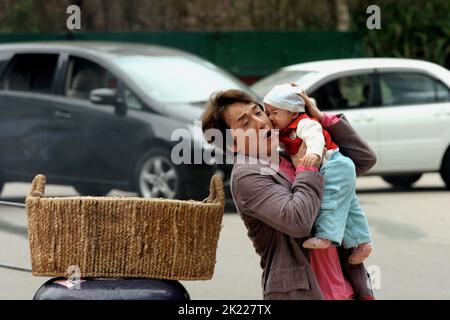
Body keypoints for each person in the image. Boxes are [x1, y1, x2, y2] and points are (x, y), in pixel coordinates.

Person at [201, 88, 376, 300]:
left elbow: (364, 159)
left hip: (348, 290)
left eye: (258, 112)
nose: (260, 123)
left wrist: (322, 118)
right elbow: (297, 220)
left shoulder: (291, 153)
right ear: (233, 144)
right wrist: (308, 167)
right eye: (245, 123)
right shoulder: (247, 176)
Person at [263, 83, 372, 265]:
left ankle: (326, 236)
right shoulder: (282, 132)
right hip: (338, 166)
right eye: (268, 113)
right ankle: (363, 242)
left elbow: (315, 136)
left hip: (334, 164)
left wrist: (313, 153)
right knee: (349, 205)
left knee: (330, 200)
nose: (270, 117)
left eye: (275, 112)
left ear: (293, 111)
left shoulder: (304, 122)